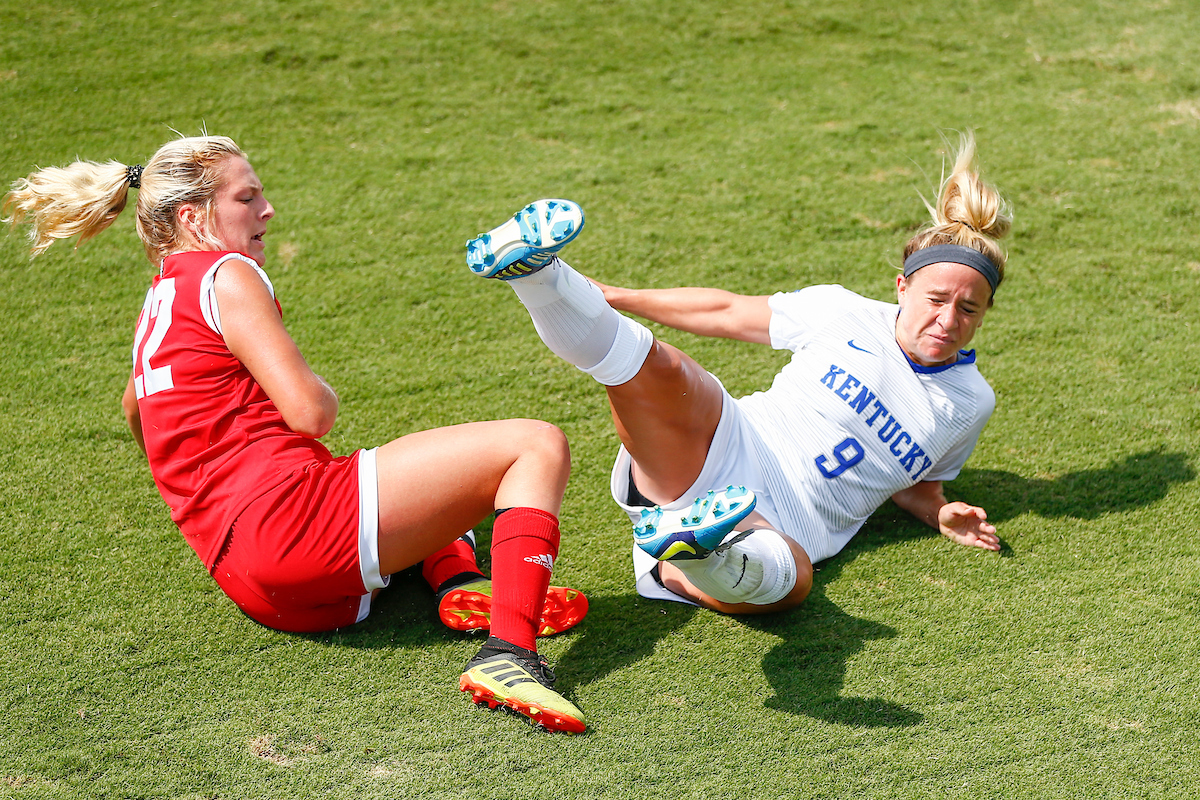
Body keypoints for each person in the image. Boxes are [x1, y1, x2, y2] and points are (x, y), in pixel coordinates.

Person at [3, 135, 588, 733]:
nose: (267, 211)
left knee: (433, 479)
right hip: (295, 531)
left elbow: (135, 410)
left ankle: (456, 581)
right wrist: (320, 391)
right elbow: (311, 413)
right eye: (246, 198)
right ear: (193, 217)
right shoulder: (226, 272)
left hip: (254, 585)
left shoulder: (159, 297)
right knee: (534, 446)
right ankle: (509, 655)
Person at [465, 133, 1009, 615]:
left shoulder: (970, 402)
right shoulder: (842, 312)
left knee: (790, 580)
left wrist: (940, 511)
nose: (948, 321)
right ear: (902, 287)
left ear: (985, 312)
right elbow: (725, 310)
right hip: (733, 445)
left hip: (785, 525)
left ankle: (690, 556)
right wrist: (612, 296)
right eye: (936, 299)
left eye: (969, 309)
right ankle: (539, 275)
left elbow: (916, 487)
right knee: (665, 368)